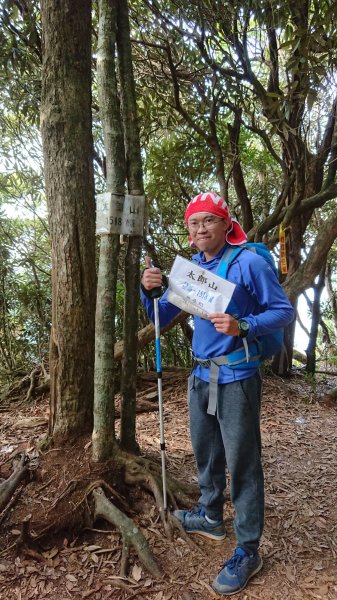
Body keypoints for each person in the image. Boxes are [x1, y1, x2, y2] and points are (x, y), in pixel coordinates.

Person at [140, 191, 294, 596]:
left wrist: (242, 325)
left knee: (243, 461)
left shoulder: (249, 263)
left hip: (238, 377)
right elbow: (162, 316)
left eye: (209, 220)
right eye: (194, 222)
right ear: (189, 232)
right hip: (200, 378)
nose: (201, 227)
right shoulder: (193, 272)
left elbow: (283, 311)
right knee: (205, 452)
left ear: (227, 225)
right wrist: (151, 289)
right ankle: (210, 516)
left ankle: (248, 548)